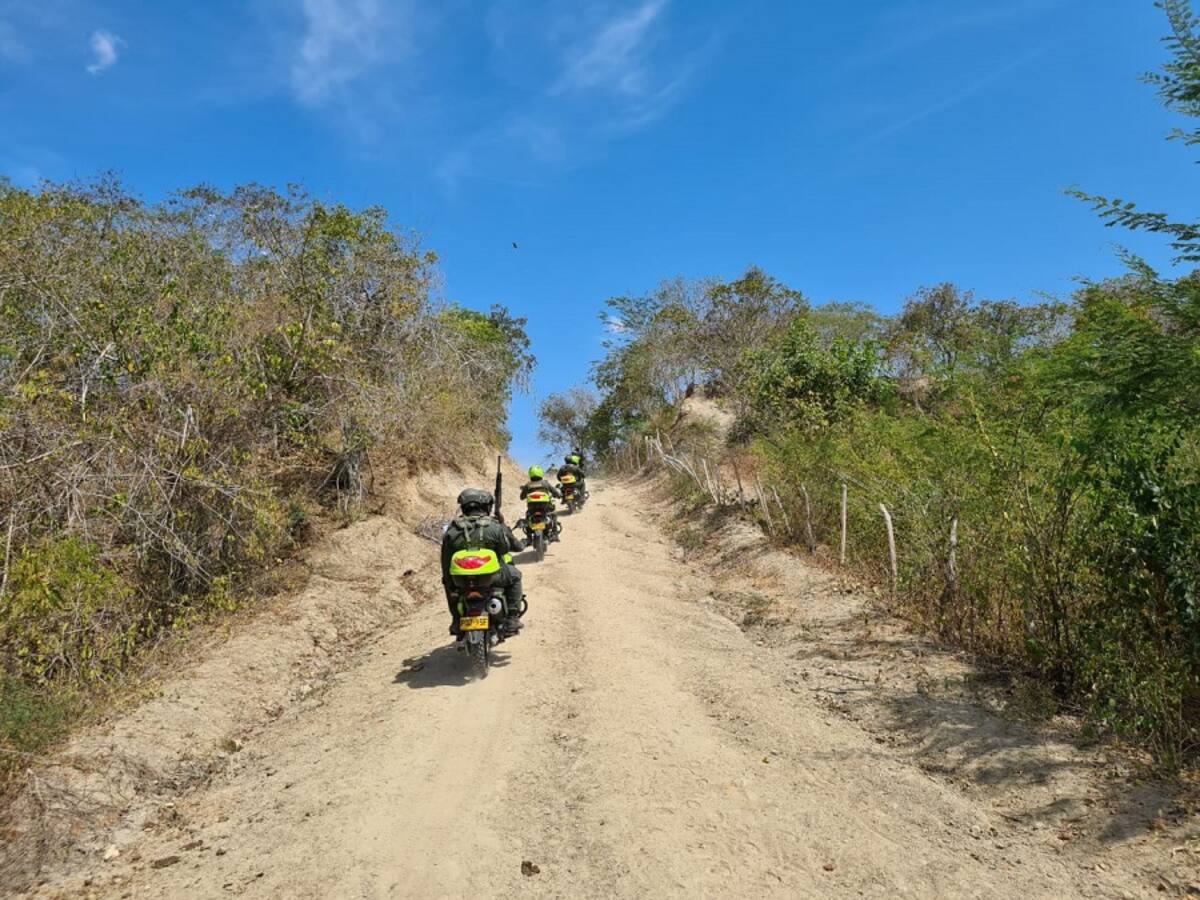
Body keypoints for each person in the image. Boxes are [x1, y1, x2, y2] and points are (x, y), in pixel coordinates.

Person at [440, 488, 525, 637]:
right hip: (491, 578)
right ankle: (512, 618)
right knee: (515, 576)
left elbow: (446, 561)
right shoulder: (493, 527)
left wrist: (449, 582)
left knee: (449, 587)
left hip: (462, 580)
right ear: (485, 506)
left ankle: (456, 621)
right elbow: (504, 549)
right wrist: (502, 525)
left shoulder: (452, 531)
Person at [519, 465, 562, 541]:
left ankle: (528, 537)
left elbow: (522, 497)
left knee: (527, 517)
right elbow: (554, 492)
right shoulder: (545, 483)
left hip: (532, 509)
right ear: (541, 473)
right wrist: (558, 495)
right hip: (545, 507)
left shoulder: (528, 485)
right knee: (553, 514)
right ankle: (555, 534)